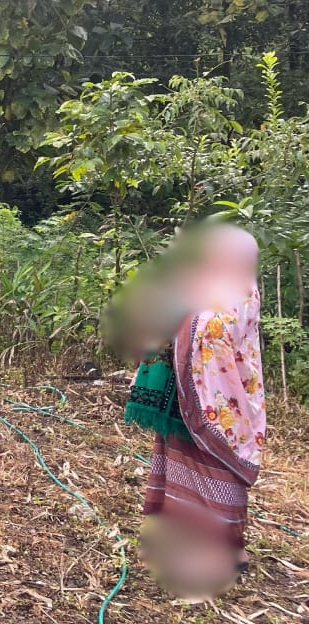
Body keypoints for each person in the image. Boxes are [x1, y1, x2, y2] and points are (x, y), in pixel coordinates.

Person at [123, 224, 265, 593]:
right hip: (183, 398)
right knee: (177, 465)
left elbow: (216, 330)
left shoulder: (242, 290)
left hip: (218, 403)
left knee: (217, 472)